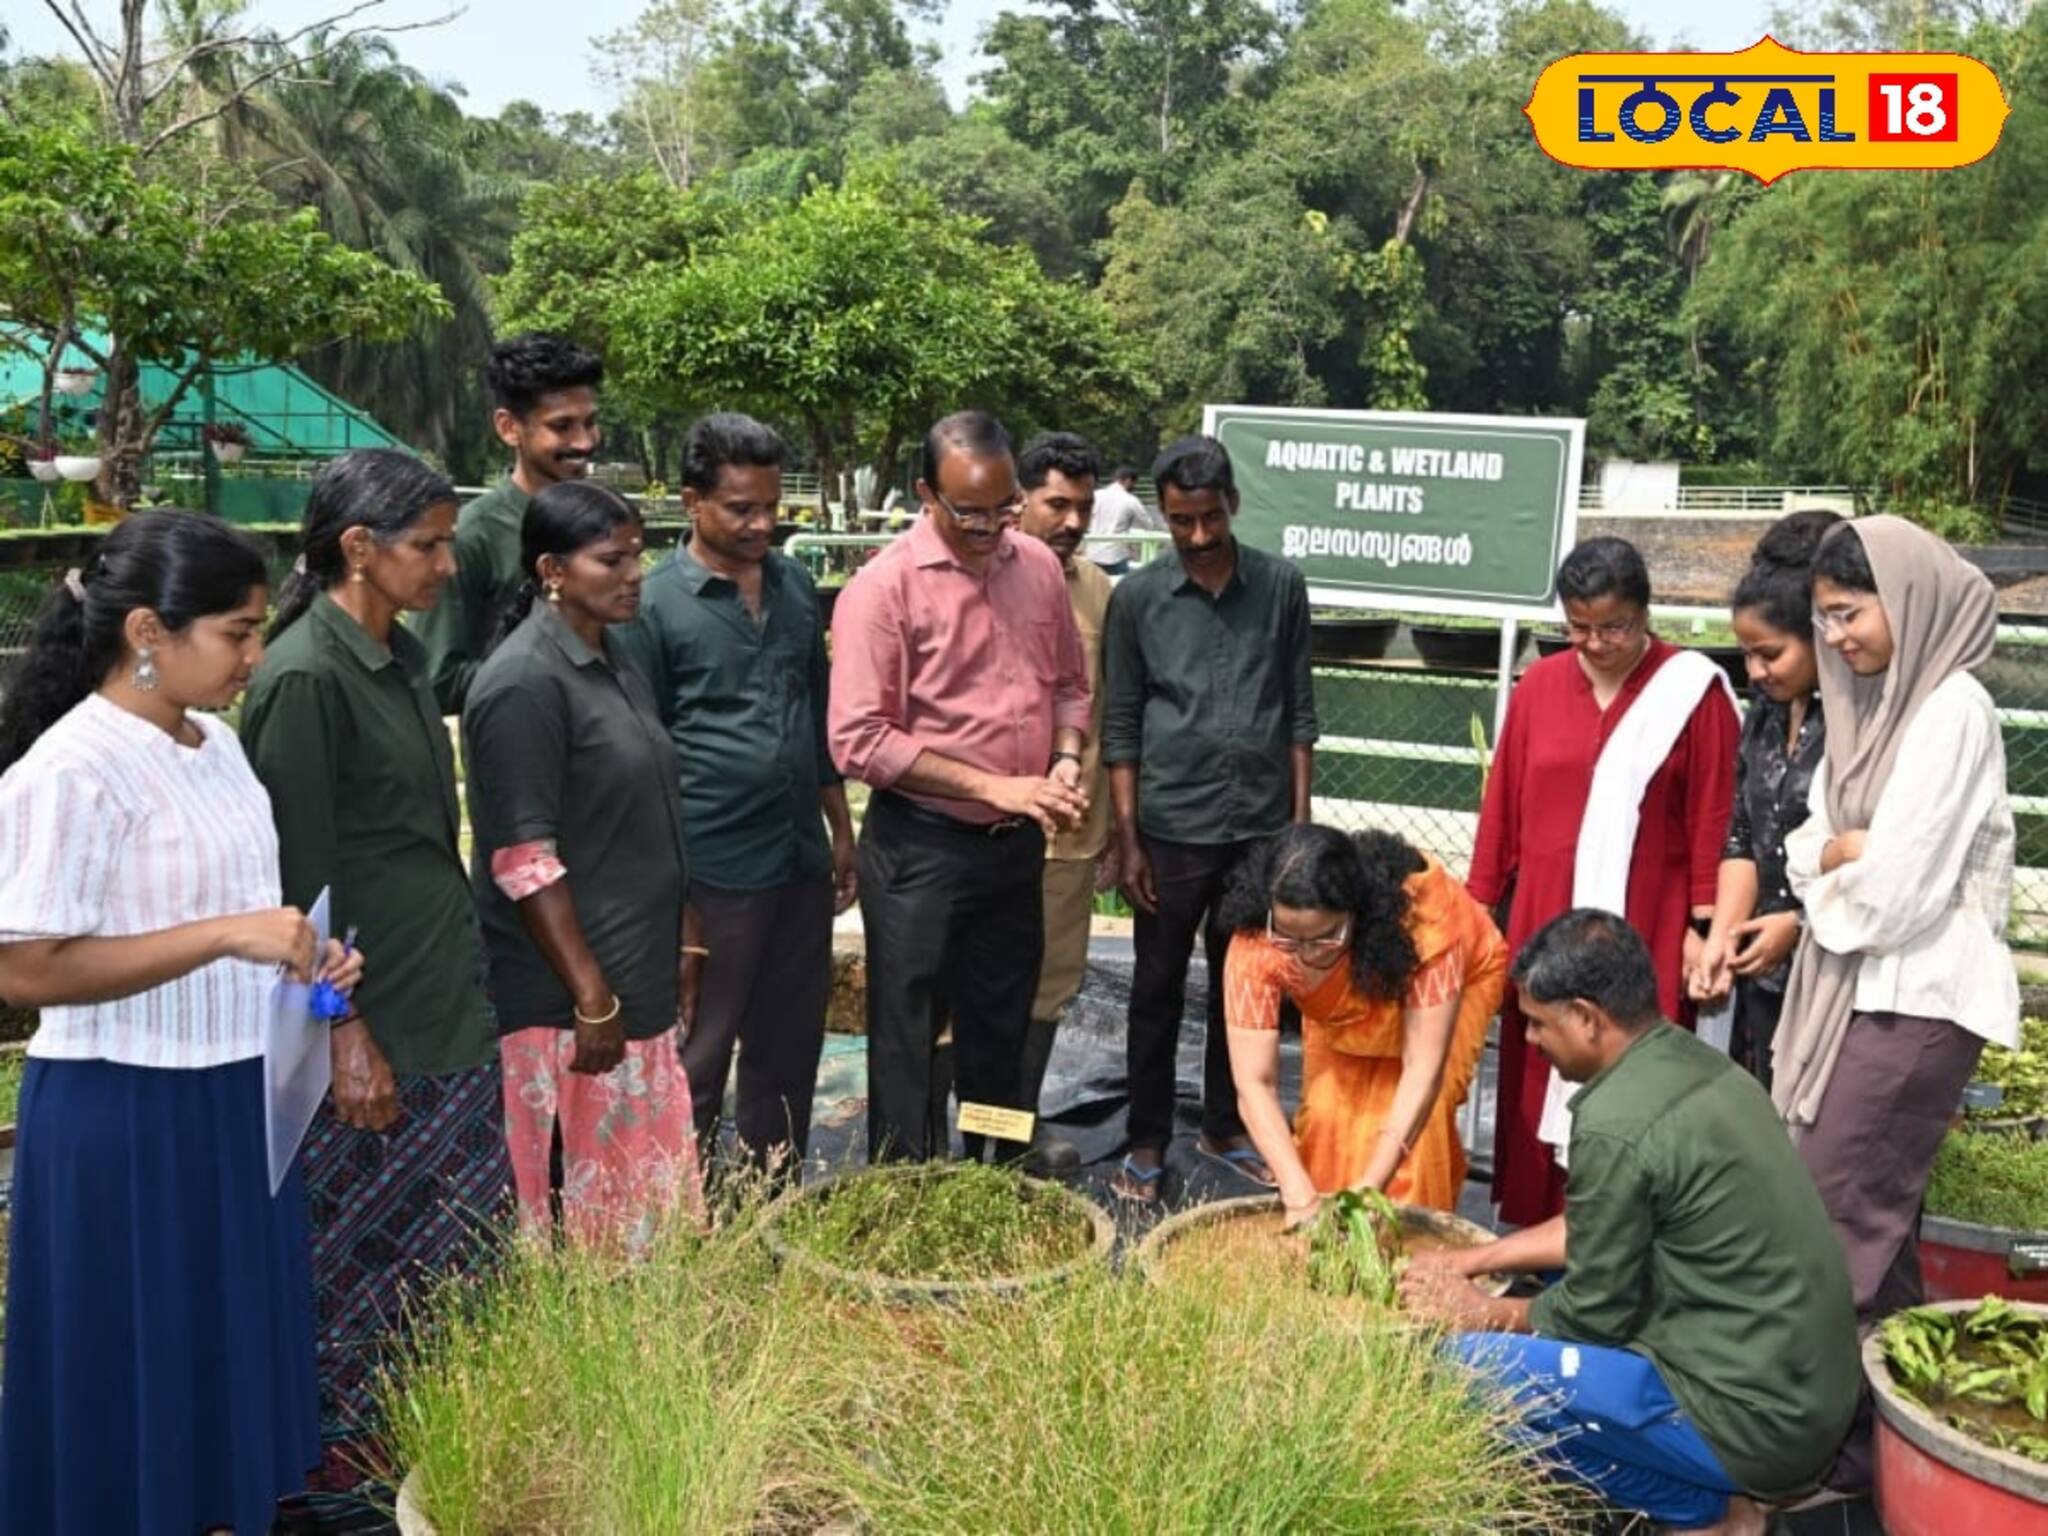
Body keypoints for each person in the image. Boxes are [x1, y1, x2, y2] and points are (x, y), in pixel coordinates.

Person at [0, 511, 360, 1536]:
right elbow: (26, 967)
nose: (255, 654)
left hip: (234, 1096)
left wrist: (305, 960)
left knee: (215, 1368)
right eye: (237, 633)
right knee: (134, 1377)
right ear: (150, 632)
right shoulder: (71, 771)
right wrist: (225, 938)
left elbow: (247, 921)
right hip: (126, 1115)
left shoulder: (220, 748)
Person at [1401, 909, 1860, 1536]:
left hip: (1754, 1424)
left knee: (1462, 1369)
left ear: (1588, 1017)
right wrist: (1471, 1261)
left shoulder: (1617, 1123)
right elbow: (1593, 1229)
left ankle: (1706, 1511)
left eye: (1538, 1023)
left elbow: (1593, 1317)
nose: (1530, 1040)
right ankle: (1725, 1500)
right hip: (1801, 1390)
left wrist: (1482, 1312)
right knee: (1549, 1302)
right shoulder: (1696, 1066)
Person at [241, 450, 509, 1478]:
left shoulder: (391, 654)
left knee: (452, 1263)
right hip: (374, 1025)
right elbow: (296, 884)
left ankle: (442, 1454)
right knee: (364, 1267)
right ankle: (347, 1478)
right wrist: (342, 1031)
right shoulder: (306, 676)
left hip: (439, 1001)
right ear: (359, 547)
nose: (447, 564)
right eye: (428, 543)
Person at [1775, 516, 2018, 1488]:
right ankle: (1904, 1454)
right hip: (1866, 992)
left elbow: (1894, 892)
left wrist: (1842, 856)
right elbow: (1804, 846)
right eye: (1822, 617)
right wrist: (1842, 849)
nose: (1834, 637)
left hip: (1912, 1002)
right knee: (1880, 1226)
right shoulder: (1873, 704)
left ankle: (1817, 1444)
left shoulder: (1949, 709)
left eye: (1847, 612)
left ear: (1905, 599)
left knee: (1830, 1220)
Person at [828, 410, 1092, 1163]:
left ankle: (998, 1164)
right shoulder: (883, 590)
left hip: (1011, 849)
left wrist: (1065, 760)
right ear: (926, 494)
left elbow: (1071, 687)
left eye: (1004, 508)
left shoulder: (1037, 569)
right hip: (921, 848)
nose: (989, 527)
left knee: (1001, 1022)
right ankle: (904, 1185)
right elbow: (859, 739)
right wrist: (997, 786)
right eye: (968, 511)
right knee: (907, 1031)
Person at [1468, 536, 1738, 1226]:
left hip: (1644, 925)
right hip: (1544, 922)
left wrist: (1703, 927)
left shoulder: (1691, 693)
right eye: (1578, 627)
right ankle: (1538, 1238)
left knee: (1632, 1075)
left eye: (1612, 627)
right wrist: (1477, 909)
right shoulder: (1540, 687)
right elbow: (1502, 806)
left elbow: (1714, 817)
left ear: (1646, 614)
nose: (1594, 643)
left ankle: (1627, 1241)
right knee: (1540, 1068)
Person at [618, 413, 855, 1180]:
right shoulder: (653, 607)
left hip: (796, 857)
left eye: (772, 506)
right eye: (740, 509)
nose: (762, 524)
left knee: (789, 1044)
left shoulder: (791, 585)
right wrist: (672, 891)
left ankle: (767, 1190)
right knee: (701, 1047)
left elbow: (814, 714)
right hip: (711, 867)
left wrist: (839, 829)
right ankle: (682, 1206)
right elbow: (638, 757)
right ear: (692, 501)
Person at [466, 481, 701, 1249]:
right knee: (583, 1229)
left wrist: (684, 938)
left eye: (638, 553)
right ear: (551, 570)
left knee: (641, 1223)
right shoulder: (524, 682)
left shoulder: (614, 653)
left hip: (633, 979)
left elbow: (649, 812)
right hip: (571, 1008)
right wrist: (592, 996)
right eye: (611, 559)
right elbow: (523, 860)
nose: (635, 573)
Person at [1102, 434, 1318, 1204]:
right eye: (1179, 522)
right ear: (1162, 515)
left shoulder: (1281, 587)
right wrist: (1128, 840)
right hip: (1169, 828)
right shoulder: (1138, 600)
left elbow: (1300, 716)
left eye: (1209, 518)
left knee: (1250, 985)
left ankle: (1228, 1123)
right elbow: (1121, 724)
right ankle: (1147, 1136)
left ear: (1232, 504)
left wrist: (1297, 834)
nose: (1196, 537)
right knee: (1155, 985)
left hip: (1259, 832)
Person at [1220, 826, 1507, 1223]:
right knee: (1323, 1117)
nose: (1304, 956)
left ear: (1358, 916)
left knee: (1419, 1143)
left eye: (1323, 939)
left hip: (1452, 987)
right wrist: (1297, 1192)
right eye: (1288, 937)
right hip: (1350, 1004)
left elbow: (1422, 1072)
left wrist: (1372, 1186)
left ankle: (1413, 1265)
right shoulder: (1258, 940)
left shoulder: (1427, 929)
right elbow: (1254, 1083)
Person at [1689, 511, 1840, 1089]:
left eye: (1770, 654)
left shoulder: (1859, 727)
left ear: (1818, 636)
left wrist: (1799, 926)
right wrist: (1723, 940)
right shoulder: (1764, 715)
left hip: (1830, 972)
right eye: (1745, 654)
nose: (1754, 672)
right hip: (1761, 972)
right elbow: (1743, 835)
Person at [1008, 431, 1118, 1172]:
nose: (1072, 520)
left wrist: (1114, 830)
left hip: (1070, 838)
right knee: (968, 988)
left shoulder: (1100, 592)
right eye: (1056, 504)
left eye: (1082, 506)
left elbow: (1109, 711)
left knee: (1049, 986)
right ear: (1019, 500)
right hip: (985, 829)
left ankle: (1016, 1126)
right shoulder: (985, 576)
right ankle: (944, 1130)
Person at [417, 332, 603, 715]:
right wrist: (547, 673)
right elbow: (437, 679)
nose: (584, 442)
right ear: (508, 427)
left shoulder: (603, 522)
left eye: (590, 422)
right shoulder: (473, 536)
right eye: (562, 426)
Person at [1083, 464, 1159, 576]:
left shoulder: (1096, 495)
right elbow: (1148, 525)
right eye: (1134, 483)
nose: (1134, 486)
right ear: (1128, 480)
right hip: (1115, 555)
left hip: (1092, 554)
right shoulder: (1131, 500)